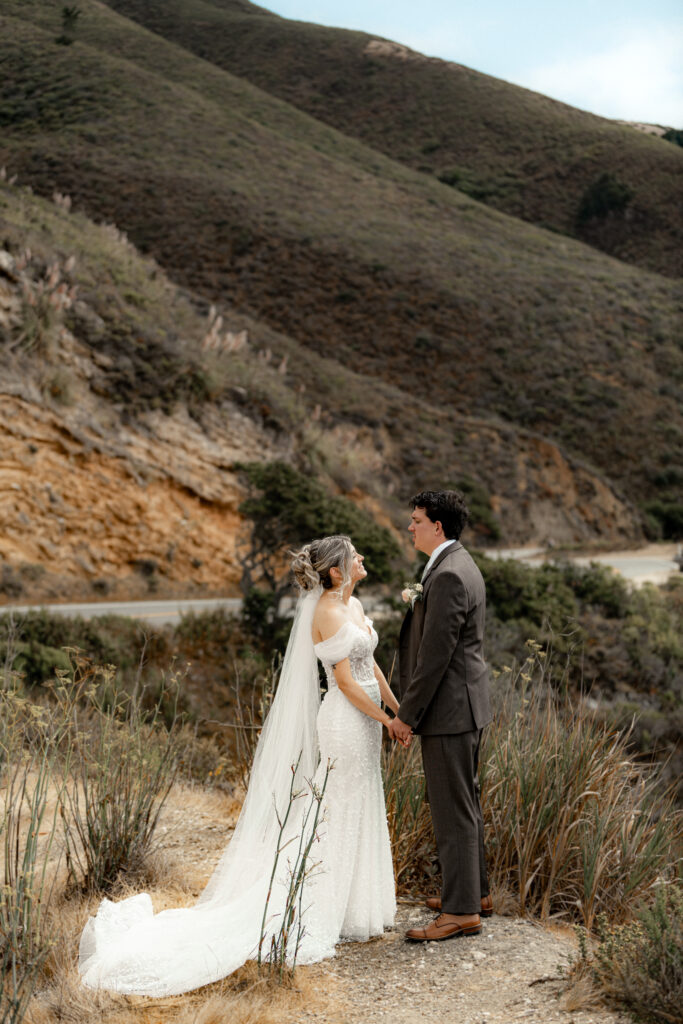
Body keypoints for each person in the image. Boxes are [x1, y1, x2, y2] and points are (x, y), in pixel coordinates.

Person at [79, 535, 401, 996]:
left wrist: (397, 709)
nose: (362, 559)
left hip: (367, 721)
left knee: (361, 801)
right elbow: (347, 684)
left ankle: (355, 905)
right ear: (335, 571)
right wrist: (387, 721)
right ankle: (315, 905)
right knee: (334, 810)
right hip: (346, 722)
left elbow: (372, 668)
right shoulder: (326, 612)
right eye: (355, 556)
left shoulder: (356, 604)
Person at [388, 490, 492, 941]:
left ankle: (461, 911)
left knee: (452, 809)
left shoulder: (449, 575)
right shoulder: (458, 563)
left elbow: (435, 659)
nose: (409, 527)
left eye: (416, 520)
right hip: (465, 706)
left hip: (449, 711)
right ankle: (475, 893)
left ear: (438, 527)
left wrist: (405, 716)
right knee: (462, 803)